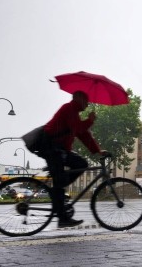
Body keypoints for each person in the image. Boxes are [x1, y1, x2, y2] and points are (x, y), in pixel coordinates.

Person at [40, 91, 106, 227]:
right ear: (79, 99)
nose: (87, 105)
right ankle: (62, 217)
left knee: (81, 163)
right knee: (59, 182)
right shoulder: (68, 109)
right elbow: (79, 129)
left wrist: (97, 151)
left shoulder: (74, 113)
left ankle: (59, 193)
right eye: (86, 101)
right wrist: (90, 120)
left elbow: (83, 135)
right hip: (51, 147)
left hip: (60, 149)